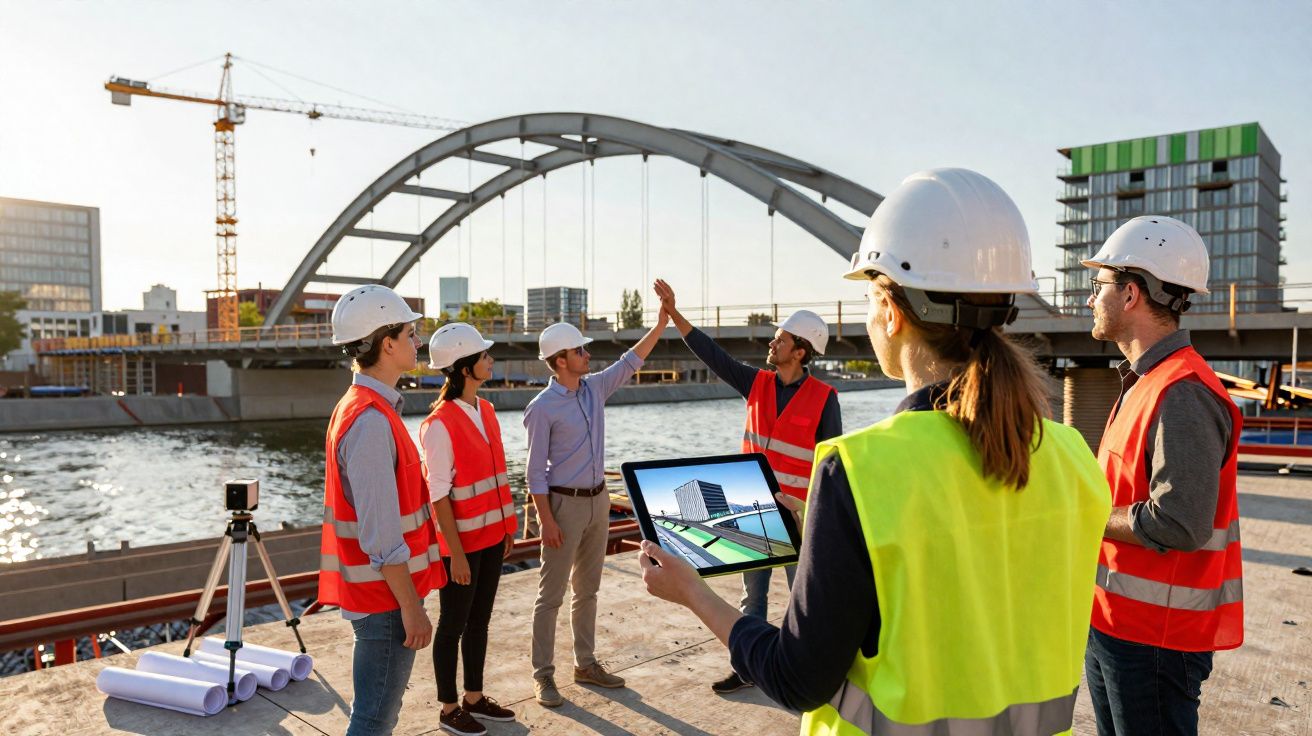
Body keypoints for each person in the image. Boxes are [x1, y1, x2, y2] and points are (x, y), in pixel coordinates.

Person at [639, 168, 1112, 735]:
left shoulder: (861, 469)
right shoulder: (1074, 458)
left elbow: (797, 678)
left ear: (891, 310)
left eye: (869, 295)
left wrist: (693, 592)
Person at [1081, 216, 1243, 736]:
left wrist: (1083, 518)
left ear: (1130, 294)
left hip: (1155, 643)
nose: (1089, 298)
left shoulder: (1182, 391)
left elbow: (1180, 522)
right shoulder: (1146, 382)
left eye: (1097, 284)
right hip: (1118, 627)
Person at [652, 279, 840, 694]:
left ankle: (809, 670)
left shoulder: (825, 398)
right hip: (754, 512)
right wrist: (675, 313)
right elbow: (712, 354)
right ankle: (747, 668)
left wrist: (812, 512)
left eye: (781, 339)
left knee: (804, 600)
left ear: (801, 350)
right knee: (751, 598)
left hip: (795, 516)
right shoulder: (755, 383)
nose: (772, 344)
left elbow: (831, 465)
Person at [318, 284, 448, 736]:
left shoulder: (363, 408)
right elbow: (381, 535)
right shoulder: (370, 421)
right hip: (386, 601)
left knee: (373, 717)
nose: (418, 342)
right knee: (374, 721)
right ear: (386, 343)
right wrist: (412, 609)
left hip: (378, 596)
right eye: (411, 333)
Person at [524, 312, 669, 707]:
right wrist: (546, 519)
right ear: (559, 361)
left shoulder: (594, 389)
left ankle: (585, 665)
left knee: (588, 590)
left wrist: (661, 323)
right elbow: (534, 473)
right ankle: (544, 677)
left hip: (599, 501)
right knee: (550, 596)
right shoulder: (542, 408)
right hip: (563, 505)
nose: (588, 355)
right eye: (579, 350)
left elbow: (631, 361)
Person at [419, 323, 518, 736]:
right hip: (461, 547)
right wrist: (455, 554)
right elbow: (437, 495)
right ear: (464, 368)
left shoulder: (488, 410)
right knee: (452, 625)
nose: (490, 360)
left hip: (493, 538)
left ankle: (474, 698)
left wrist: (508, 527)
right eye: (483, 356)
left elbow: (496, 476)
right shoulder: (439, 424)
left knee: (480, 622)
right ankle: (448, 708)